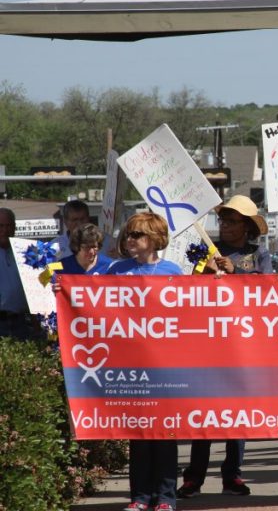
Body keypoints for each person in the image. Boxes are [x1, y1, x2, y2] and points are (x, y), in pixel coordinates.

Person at [177, 195, 270, 499]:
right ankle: (194, 477)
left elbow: (268, 290)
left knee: (237, 416)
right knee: (204, 412)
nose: (226, 226)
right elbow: (189, 291)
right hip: (208, 342)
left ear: (246, 227)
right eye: (224, 220)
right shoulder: (205, 252)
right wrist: (204, 272)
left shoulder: (258, 255)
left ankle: (233, 476)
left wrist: (236, 274)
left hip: (243, 345)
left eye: (232, 221)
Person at [107, 212, 182, 511]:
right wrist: (63, 289)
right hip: (131, 365)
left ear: (154, 238)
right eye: (128, 235)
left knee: (164, 433)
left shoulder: (172, 271)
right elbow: (92, 301)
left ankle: (165, 498)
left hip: (165, 364)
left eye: (136, 235)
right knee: (138, 433)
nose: (129, 240)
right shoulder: (116, 270)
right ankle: (139, 497)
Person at [0, 207, 37, 340]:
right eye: (1, 226)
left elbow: (34, 289)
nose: (5, 230)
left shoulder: (24, 253)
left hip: (21, 322)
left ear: (14, 227)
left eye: (9, 226)